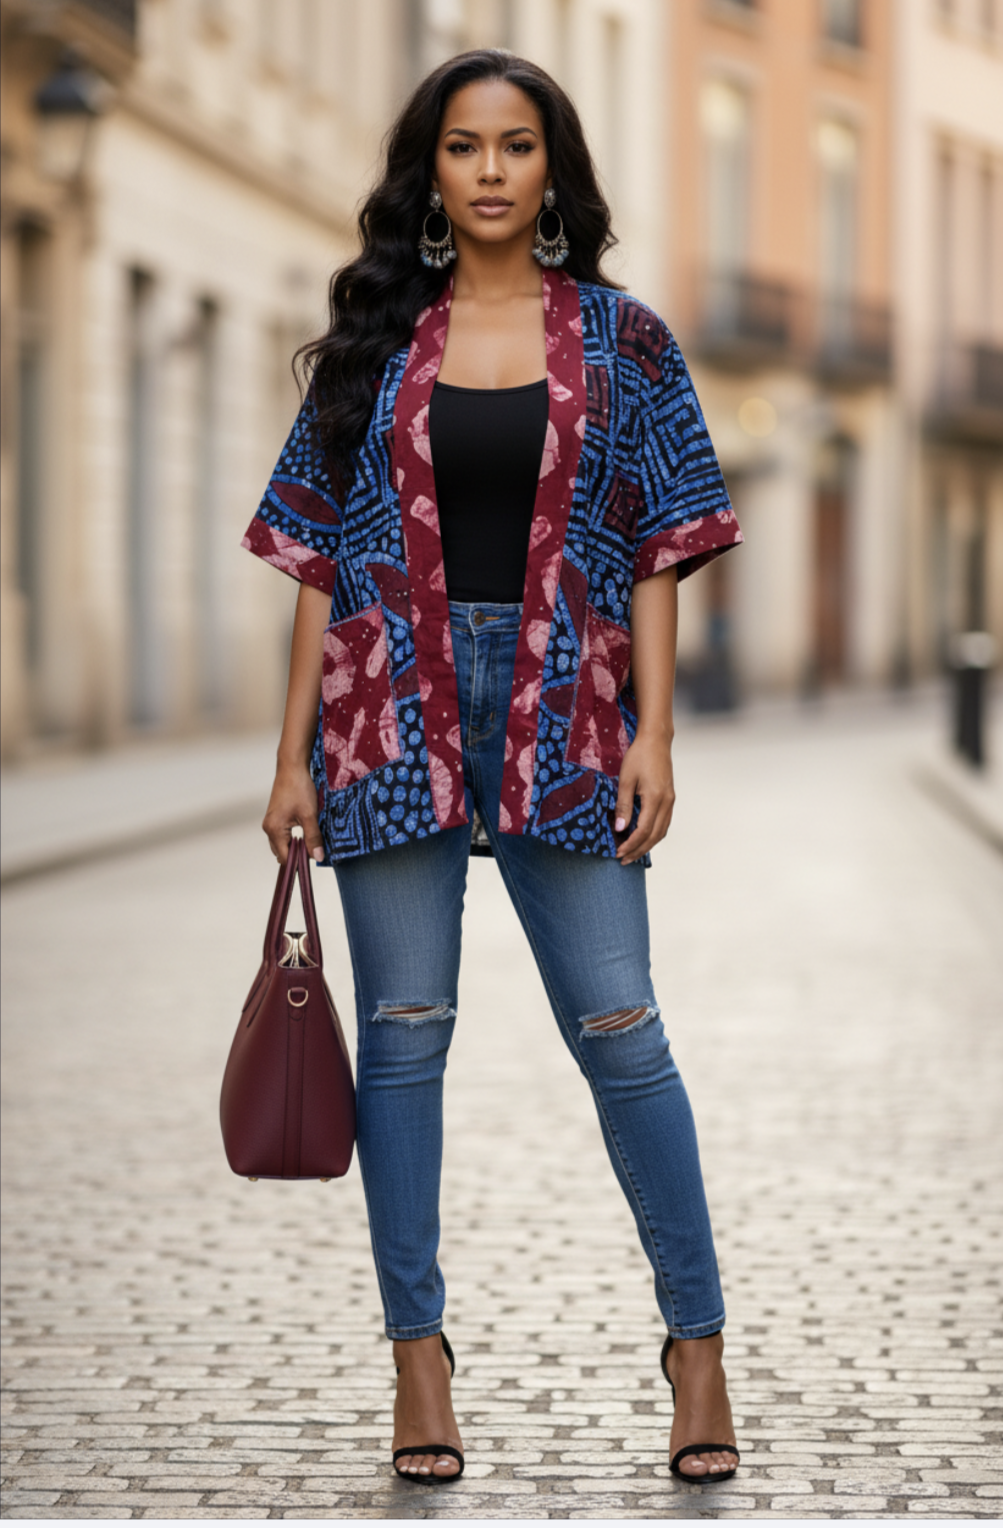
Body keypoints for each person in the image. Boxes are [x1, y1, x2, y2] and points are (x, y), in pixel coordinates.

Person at [245, 49, 743, 1487]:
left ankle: (694, 1344)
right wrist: (290, 760)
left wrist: (652, 728)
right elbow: (316, 561)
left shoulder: (626, 341)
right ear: (429, 171)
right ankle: (418, 1362)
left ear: (549, 170)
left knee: (620, 1027)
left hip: (569, 707)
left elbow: (660, 542)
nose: (485, 171)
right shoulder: (376, 345)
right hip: (385, 706)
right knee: (402, 1035)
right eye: (460, 146)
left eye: (513, 146)